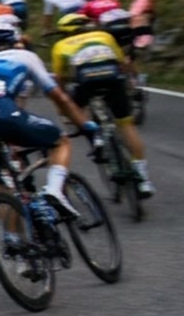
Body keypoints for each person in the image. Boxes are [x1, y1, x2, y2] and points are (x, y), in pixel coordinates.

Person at [0, 22, 99, 214]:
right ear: (15, 40)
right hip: (3, 115)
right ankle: (54, 191)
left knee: (2, 189)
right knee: (60, 141)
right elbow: (60, 98)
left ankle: (8, 232)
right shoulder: (25, 56)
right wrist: (85, 125)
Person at [50, 13, 153, 196]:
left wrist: (64, 106)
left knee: (75, 110)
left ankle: (95, 137)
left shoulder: (60, 45)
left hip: (86, 81)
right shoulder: (104, 36)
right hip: (112, 78)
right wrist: (131, 86)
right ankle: (144, 179)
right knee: (126, 124)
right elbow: (122, 63)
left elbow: (59, 78)